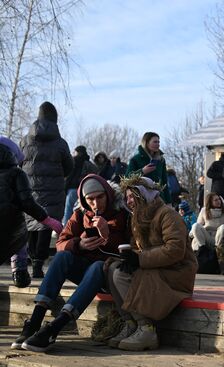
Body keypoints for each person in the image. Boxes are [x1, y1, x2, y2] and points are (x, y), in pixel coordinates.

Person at [12, 174, 130, 352]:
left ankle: (56, 327)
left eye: (100, 197)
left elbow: (129, 250)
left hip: (109, 277)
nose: (96, 204)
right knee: (62, 257)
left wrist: (107, 235)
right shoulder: (80, 214)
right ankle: (35, 321)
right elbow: (61, 243)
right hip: (85, 275)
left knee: (98, 266)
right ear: (83, 199)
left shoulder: (123, 213)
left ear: (108, 194)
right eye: (90, 199)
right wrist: (79, 244)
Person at [106, 176, 197, 351]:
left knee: (124, 274)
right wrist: (129, 257)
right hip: (158, 267)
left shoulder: (167, 215)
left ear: (145, 194)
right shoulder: (138, 219)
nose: (129, 201)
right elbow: (137, 248)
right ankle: (130, 323)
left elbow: (175, 249)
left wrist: (139, 259)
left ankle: (146, 328)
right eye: (127, 198)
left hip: (177, 273)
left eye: (133, 196)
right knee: (113, 269)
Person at [20, 101, 74, 278]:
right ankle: (38, 264)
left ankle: (31, 258)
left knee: (31, 223)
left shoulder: (24, 140)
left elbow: (18, 163)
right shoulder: (60, 143)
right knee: (46, 223)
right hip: (53, 190)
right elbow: (69, 166)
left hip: (29, 188)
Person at [0, 138, 63, 288]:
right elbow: (27, 203)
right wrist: (48, 220)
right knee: (18, 223)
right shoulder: (16, 173)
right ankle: (19, 270)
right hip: (10, 230)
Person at [126, 132, 170, 204]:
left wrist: (169, 202)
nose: (158, 144)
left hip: (160, 199)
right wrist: (142, 171)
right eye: (155, 142)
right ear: (146, 143)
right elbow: (127, 178)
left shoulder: (161, 160)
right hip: (142, 199)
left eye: (159, 142)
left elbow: (164, 183)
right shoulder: (136, 159)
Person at [63, 145, 97, 225]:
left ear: (77, 152)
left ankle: (65, 229)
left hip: (72, 190)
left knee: (68, 211)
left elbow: (68, 177)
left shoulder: (73, 161)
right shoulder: (89, 164)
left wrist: (65, 188)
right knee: (82, 211)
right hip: (85, 191)